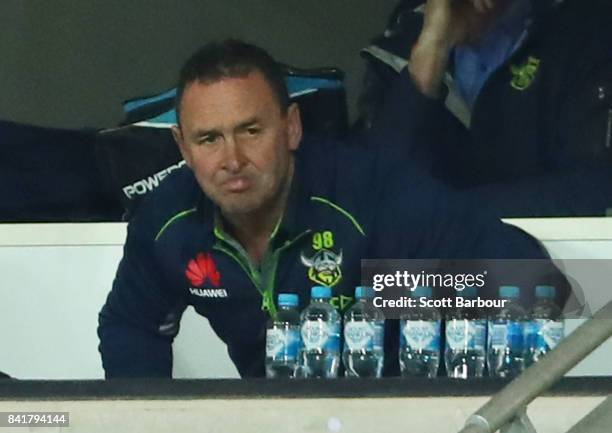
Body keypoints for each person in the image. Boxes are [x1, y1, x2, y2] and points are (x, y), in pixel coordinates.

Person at [98, 39, 566, 378]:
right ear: (183, 146)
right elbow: (128, 326)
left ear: (292, 129)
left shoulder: (366, 189)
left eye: (251, 131)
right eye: (209, 139)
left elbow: (537, 279)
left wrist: (386, 294)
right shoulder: (168, 218)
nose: (233, 160)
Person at [357, 0, 612, 216]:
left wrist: (449, 213)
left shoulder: (588, 28)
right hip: (424, 271)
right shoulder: (408, 31)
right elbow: (375, 201)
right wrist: (430, 58)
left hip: (544, 267)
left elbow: (595, 191)